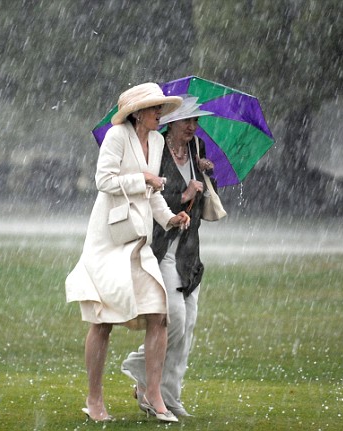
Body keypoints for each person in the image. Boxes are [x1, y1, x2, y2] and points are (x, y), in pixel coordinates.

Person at [65, 82, 190, 423]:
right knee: (102, 321)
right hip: (108, 239)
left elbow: (152, 195)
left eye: (161, 108)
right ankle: (94, 400)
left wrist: (169, 218)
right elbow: (103, 181)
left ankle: (154, 395)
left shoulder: (158, 141)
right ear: (137, 113)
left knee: (159, 315)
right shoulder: (116, 136)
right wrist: (143, 178)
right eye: (154, 109)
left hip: (138, 242)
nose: (160, 114)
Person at [121, 95, 216, 417]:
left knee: (187, 325)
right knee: (172, 320)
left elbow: (203, 202)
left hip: (189, 251)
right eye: (187, 120)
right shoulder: (155, 149)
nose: (193, 127)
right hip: (160, 248)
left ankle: (169, 397)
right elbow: (150, 196)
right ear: (171, 123)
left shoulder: (197, 150)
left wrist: (207, 176)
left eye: (196, 121)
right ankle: (143, 371)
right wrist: (182, 195)